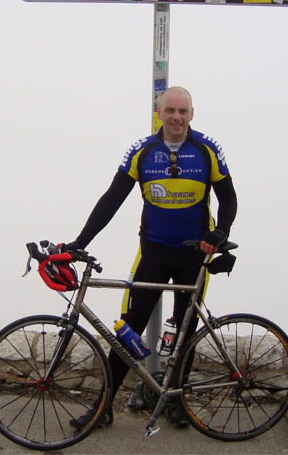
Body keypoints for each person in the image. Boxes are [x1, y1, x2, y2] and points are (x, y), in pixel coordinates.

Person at [63, 86, 237, 428]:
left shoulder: (207, 150)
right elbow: (111, 199)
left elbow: (229, 198)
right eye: (170, 110)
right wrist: (79, 241)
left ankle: (176, 402)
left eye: (182, 111)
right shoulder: (142, 152)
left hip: (193, 256)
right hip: (153, 252)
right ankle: (103, 409)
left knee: (184, 334)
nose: (176, 117)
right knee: (128, 331)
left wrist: (221, 234)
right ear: (159, 113)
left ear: (191, 114)